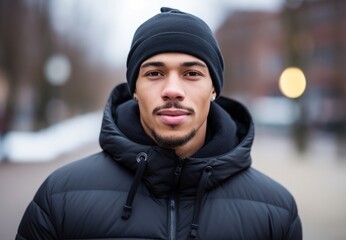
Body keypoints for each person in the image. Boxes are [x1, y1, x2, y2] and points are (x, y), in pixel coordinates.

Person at [16, 7, 302, 240]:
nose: (172, 90)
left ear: (214, 89)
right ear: (135, 89)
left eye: (191, 73)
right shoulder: (60, 198)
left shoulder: (274, 212)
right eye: (154, 73)